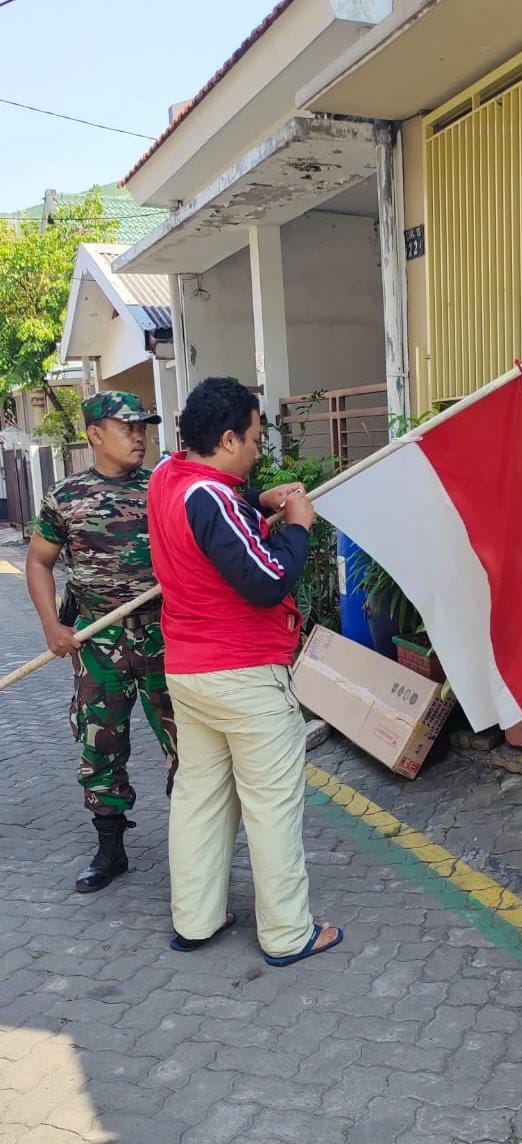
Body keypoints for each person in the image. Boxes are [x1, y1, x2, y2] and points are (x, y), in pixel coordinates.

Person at [147, 376, 342, 965]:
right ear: (228, 438)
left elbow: (215, 525)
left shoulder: (168, 478)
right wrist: (300, 524)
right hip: (245, 675)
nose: (259, 450)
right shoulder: (209, 498)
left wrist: (258, 503)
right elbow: (265, 581)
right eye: (254, 439)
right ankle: (287, 934)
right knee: (271, 805)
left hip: (190, 673)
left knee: (199, 798)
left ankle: (196, 920)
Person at [25, 391, 178, 892]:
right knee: (101, 744)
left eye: (144, 427)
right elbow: (39, 562)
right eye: (127, 426)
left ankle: (197, 846)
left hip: (166, 635)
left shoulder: (165, 485)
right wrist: (53, 626)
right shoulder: (65, 498)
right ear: (94, 434)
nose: (139, 436)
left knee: (190, 745)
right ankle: (110, 848)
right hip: (97, 639)